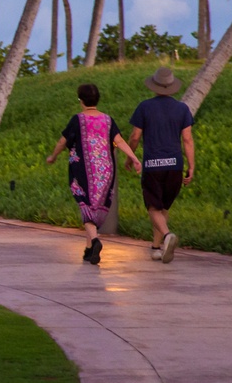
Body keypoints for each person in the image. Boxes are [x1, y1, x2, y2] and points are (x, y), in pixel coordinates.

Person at [47, 83, 141, 265]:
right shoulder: (107, 120)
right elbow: (119, 141)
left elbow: (62, 141)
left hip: (82, 169)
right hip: (105, 171)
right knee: (95, 208)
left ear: (80, 100)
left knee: (86, 206)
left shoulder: (78, 119)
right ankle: (89, 250)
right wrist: (134, 158)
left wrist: (53, 156)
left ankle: (96, 241)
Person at [128, 66, 196, 263]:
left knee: (152, 207)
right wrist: (191, 166)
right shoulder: (182, 109)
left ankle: (167, 236)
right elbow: (188, 140)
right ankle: (157, 248)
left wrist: (130, 156)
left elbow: (134, 136)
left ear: (154, 86)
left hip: (153, 165)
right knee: (163, 207)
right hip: (175, 166)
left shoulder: (145, 107)